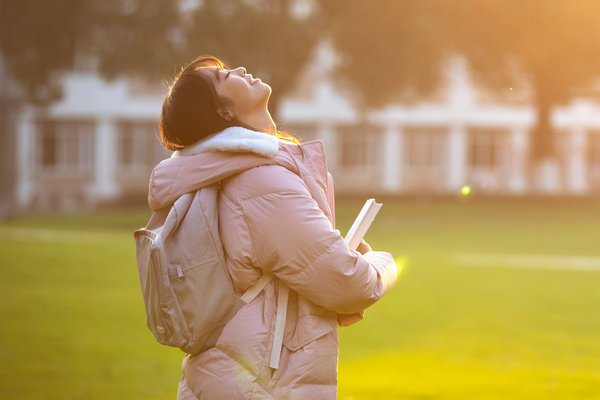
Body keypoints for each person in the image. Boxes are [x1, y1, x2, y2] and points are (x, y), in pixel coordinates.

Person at [148, 55, 398, 399]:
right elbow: (347, 282)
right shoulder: (260, 181)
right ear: (223, 113)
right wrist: (383, 264)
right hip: (261, 386)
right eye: (223, 77)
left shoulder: (229, 174)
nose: (237, 69)